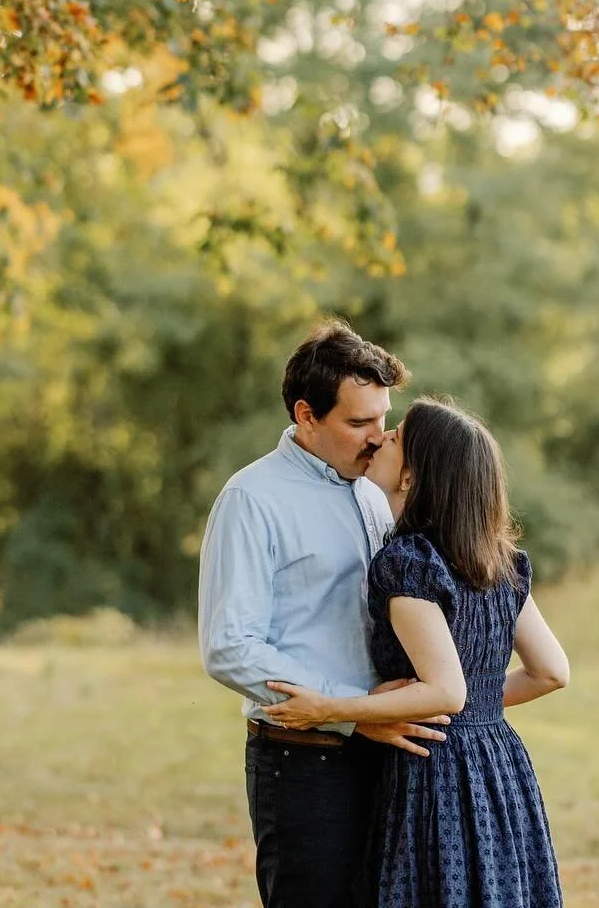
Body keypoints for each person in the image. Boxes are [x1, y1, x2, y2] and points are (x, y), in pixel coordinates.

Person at [264, 397, 571, 908]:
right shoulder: (500, 561)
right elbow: (551, 672)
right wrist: (478, 710)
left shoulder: (409, 564)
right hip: (499, 764)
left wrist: (330, 708)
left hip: (436, 769)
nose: (382, 437)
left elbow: (444, 691)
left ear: (411, 476)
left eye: (398, 436)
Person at [198, 321, 452, 908]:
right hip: (306, 762)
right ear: (307, 415)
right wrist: (350, 711)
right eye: (358, 422)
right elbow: (230, 646)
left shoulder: (376, 490)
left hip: (392, 754)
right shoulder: (252, 500)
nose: (378, 438)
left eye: (383, 418)